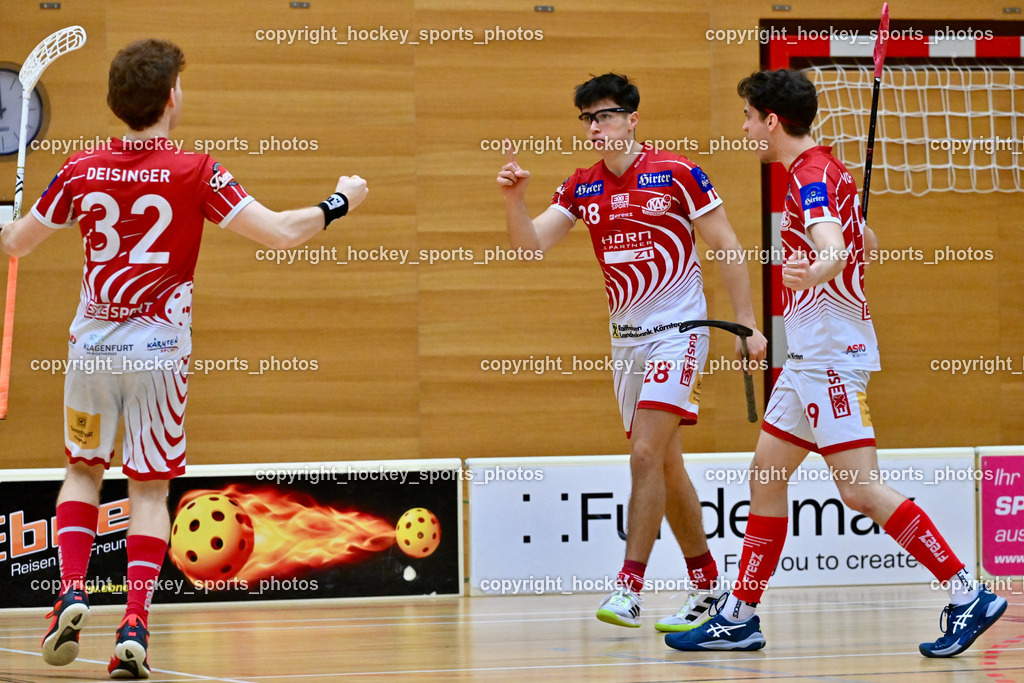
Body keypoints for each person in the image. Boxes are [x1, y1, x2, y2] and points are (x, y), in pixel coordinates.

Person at [0, 39, 367, 679]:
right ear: (171, 97)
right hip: (160, 357)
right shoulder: (197, 170)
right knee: (148, 487)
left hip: (90, 351)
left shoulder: (79, 167)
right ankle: (134, 621)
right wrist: (341, 201)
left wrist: (9, 218)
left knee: (83, 471)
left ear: (117, 103)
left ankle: (70, 591)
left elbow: (18, 244)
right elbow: (281, 232)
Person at [666, 68, 1006, 656]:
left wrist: (817, 268)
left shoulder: (810, 178)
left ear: (772, 120)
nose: (746, 128)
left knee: (860, 490)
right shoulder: (829, 169)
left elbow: (836, 248)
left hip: (829, 354)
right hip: (807, 357)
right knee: (766, 475)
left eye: (749, 117)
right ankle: (741, 615)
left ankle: (966, 591)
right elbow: (865, 242)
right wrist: (835, 255)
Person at [496, 73, 767, 631]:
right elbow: (531, 246)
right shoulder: (581, 185)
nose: (597, 128)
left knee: (644, 454)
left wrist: (747, 325)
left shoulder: (678, 173)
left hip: (681, 331)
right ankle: (708, 587)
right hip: (626, 344)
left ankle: (629, 588)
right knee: (665, 466)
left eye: (607, 116)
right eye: (589, 119)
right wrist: (515, 201)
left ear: (632, 119)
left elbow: (726, 244)